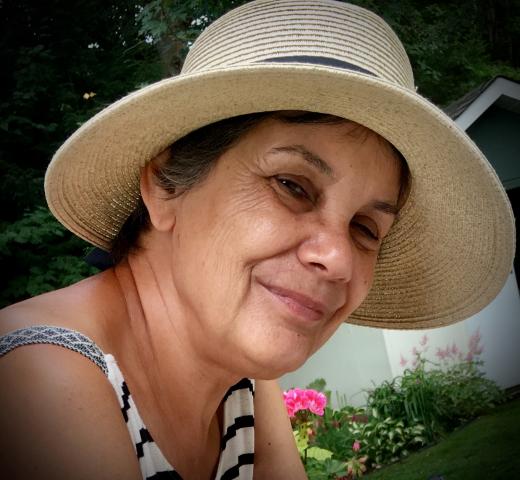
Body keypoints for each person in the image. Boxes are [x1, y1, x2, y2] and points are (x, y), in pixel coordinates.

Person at [0, 1, 514, 479]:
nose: (338, 259)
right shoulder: (37, 376)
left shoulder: (241, 381)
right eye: (291, 185)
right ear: (165, 185)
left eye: (364, 228)